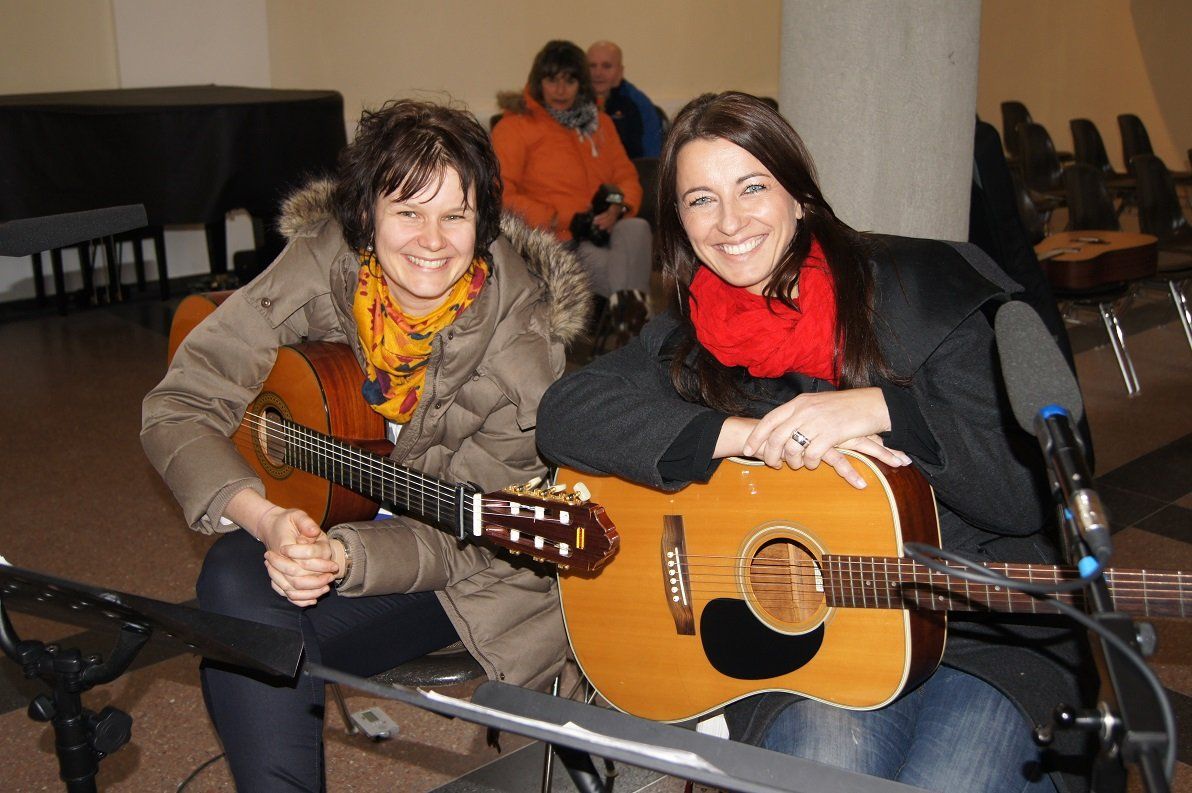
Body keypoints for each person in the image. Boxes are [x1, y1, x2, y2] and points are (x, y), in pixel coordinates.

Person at [536, 92, 1091, 793]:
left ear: (799, 196)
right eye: (701, 200)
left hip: (981, 630)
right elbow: (566, 413)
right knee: (827, 774)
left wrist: (887, 409)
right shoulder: (691, 336)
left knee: (948, 779)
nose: (730, 222)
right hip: (812, 644)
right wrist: (745, 436)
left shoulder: (920, 291)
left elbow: (1022, 496)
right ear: (679, 222)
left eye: (752, 187)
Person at [141, 99, 589, 792]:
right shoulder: (324, 261)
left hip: (464, 569)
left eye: (456, 215)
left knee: (243, 631)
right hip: (330, 515)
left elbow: (469, 540)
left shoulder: (522, 355)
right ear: (365, 214)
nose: (432, 241)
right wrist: (267, 517)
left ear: (484, 222)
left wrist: (343, 555)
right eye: (408, 211)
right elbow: (180, 401)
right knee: (236, 589)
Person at [492, 39, 652, 351]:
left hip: (603, 229)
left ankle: (626, 338)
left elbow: (626, 177)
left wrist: (617, 208)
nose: (560, 90)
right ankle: (634, 338)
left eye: (570, 80)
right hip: (556, 239)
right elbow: (500, 192)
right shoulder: (515, 127)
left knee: (637, 226)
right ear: (538, 82)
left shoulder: (600, 123)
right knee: (623, 270)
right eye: (552, 80)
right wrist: (557, 217)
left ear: (581, 84)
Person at [587, 40, 663, 159]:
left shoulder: (639, 104)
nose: (598, 73)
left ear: (620, 72)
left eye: (606, 66)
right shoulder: (571, 101)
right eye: (592, 66)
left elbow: (651, 158)